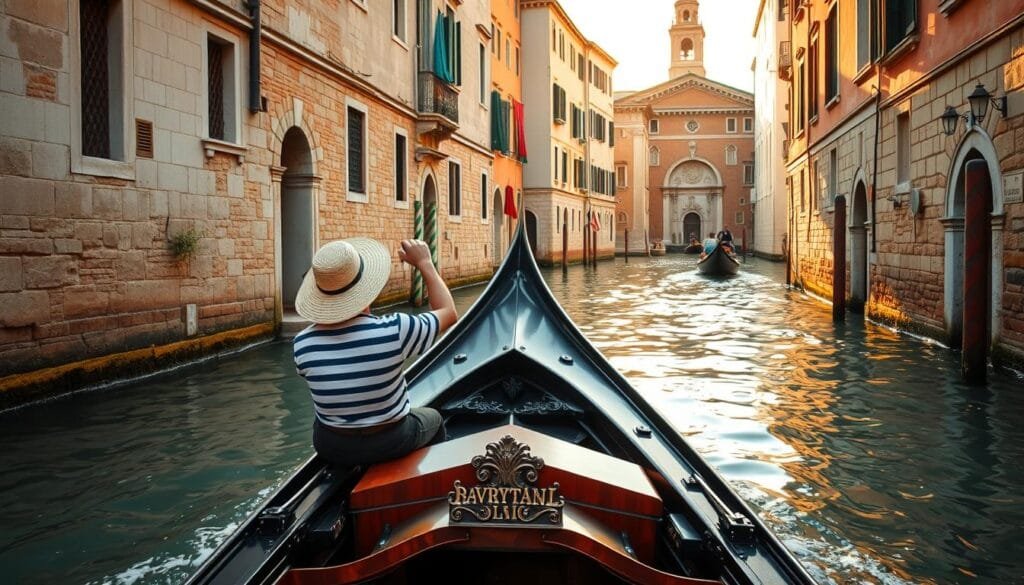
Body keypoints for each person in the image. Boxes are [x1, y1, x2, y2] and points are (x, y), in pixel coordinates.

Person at [292, 238, 458, 467]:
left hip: (332, 446)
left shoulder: (302, 343)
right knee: (435, 419)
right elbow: (449, 312)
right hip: (392, 441)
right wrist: (424, 263)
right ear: (366, 287)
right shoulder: (395, 329)